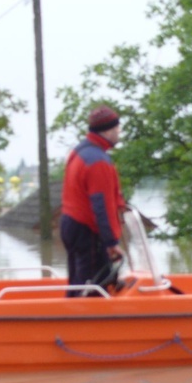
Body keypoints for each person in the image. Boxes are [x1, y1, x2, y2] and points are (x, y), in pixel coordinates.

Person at [60, 105, 126, 297]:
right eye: (117, 128)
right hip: (86, 230)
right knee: (91, 284)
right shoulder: (98, 162)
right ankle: (82, 323)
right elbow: (102, 206)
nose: (119, 133)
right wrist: (111, 242)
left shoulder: (79, 152)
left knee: (78, 280)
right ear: (108, 130)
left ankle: (69, 316)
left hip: (70, 224)